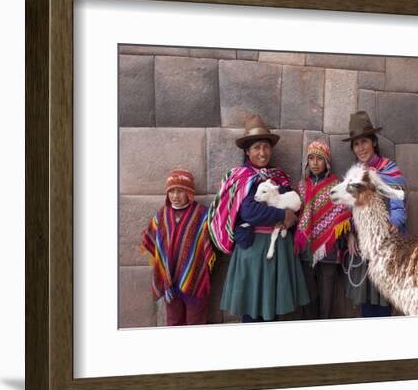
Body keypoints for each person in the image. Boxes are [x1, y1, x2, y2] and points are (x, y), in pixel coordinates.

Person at [208, 114, 310, 322]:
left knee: (272, 307)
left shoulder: (278, 177)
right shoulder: (242, 178)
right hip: (253, 250)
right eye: (256, 148)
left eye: (265, 147)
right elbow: (249, 212)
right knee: (252, 308)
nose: (262, 153)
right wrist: (282, 214)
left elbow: (292, 202)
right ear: (247, 151)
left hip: (277, 250)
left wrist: (292, 216)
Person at [342, 111, 407, 318]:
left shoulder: (389, 169)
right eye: (356, 144)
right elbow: (352, 208)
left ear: (374, 143)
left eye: (364, 142)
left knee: (382, 301)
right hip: (364, 245)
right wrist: (351, 233)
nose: (360, 148)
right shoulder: (355, 174)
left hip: (385, 243)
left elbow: (398, 202)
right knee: (366, 301)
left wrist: (394, 223)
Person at [140, 168, 216, 326]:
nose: (175, 196)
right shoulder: (162, 215)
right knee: (174, 322)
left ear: (189, 192)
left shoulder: (202, 214)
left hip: (195, 279)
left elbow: (213, 243)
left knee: (195, 322)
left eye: (180, 191)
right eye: (171, 191)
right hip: (170, 281)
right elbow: (151, 239)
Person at [293, 141, 353, 320]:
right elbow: (298, 213)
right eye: (311, 158)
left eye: (320, 158)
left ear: (326, 162)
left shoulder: (337, 186)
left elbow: (344, 214)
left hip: (329, 250)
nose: (315, 163)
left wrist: (348, 235)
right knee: (308, 299)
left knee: (327, 300)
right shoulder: (302, 186)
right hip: (305, 251)